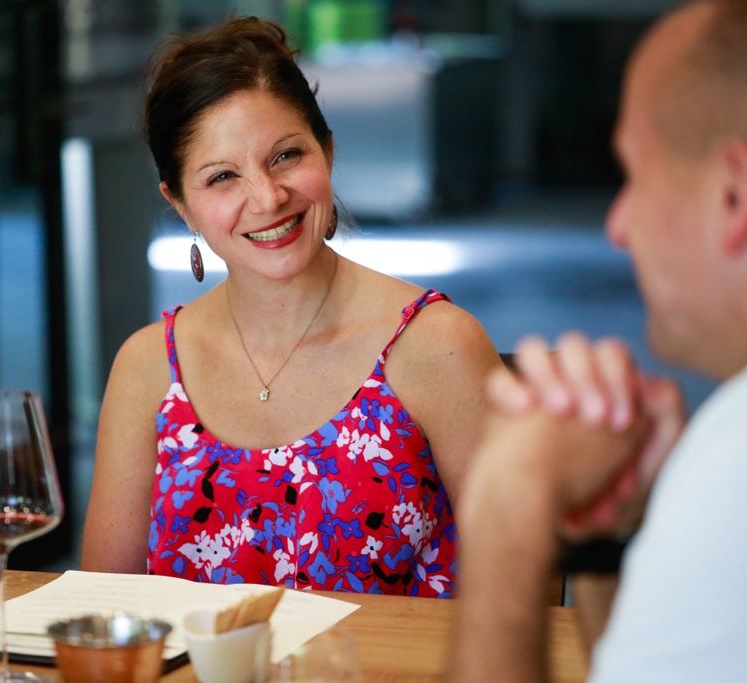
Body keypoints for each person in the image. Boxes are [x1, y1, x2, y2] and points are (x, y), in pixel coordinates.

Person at [451, 0, 747, 679]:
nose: (618, 226)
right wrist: (605, 536)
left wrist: (509, 498)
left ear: (735, 194)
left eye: (637, 176)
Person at [81, 17, 502, 597]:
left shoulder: (438, 346)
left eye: (286, 156)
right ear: (179, 203)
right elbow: (104, 609)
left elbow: (519, 586)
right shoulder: (148, 366)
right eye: (222, 177)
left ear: (326, 150)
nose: (268, 197)